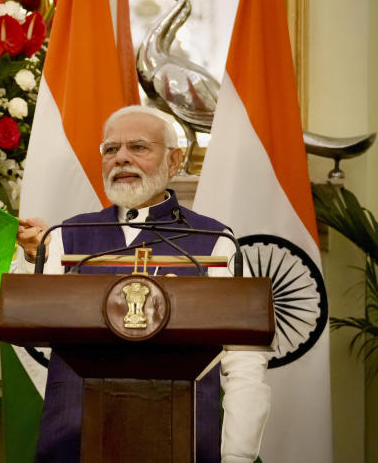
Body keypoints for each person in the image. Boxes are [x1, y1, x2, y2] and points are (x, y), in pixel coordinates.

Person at [15, 105, 270, 463]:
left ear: (175, 160)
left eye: (138, 147)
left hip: (182, 437)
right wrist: (32, 259)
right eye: (110, 149)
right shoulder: (68, 234)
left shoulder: (212, 240)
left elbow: (244, 361)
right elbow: (34, 325)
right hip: (75, 438)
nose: (121, 158)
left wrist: (238, 454)